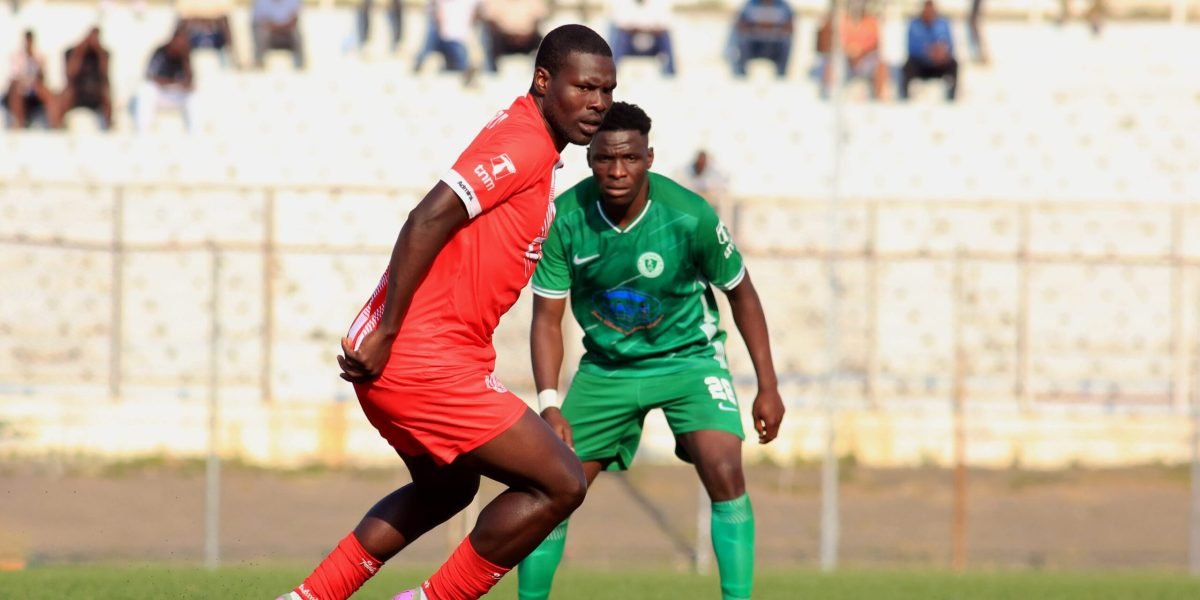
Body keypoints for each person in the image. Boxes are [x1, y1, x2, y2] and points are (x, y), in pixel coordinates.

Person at [276, 24, 616, 600]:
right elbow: (427, 217)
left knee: (448, 487)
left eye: (606, 91)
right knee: (561, 481)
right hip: (423, 358)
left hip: (417, 354)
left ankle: (310, 598)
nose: (598, 104)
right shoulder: (525, 142)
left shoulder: (533, 140)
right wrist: (388, 331)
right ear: (542, 80)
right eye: (584, 88)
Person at [516, 102, 786, 600]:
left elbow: (742, 293)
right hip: (606, 369)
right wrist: (549, 403)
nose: (617, 171)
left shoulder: (689, 215)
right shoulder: (566, 220)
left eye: (630, 158)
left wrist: (768, 386)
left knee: (725, 468)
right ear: (589, 158)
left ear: (650, 158)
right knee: (550, 488)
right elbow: (546, 319)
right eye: (604, 159)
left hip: (689, 359)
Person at [134, 26, 194, 132]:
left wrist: (185, 58)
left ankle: (195, 134)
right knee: (145, 90)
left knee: (194, 96)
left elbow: (190, 83)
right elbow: (150, 77)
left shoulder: (185, 56)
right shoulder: (160, 51)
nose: (182, 44)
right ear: (173, 39)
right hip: (159, 93)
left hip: (175, 94)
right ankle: (142, 132)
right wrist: (174, 83)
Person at [900, 0, 957, 102]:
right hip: (921, 65)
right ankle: (904, 98)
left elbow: (950, 45)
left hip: (939, 65)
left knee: (953, 64)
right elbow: (911, 47)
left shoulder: (943, 24)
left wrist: (941, 53)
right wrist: (927, 52)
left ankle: (951, 98)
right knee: (907, 66)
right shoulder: (914, 24)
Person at [57, 26, 112, 129]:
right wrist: (81, 49)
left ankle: (108, 127)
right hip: (77, 92)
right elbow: (71, 73)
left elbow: (104, 72)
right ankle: (58, 127)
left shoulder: (102, 53)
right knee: (67, 94)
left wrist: (98, 51)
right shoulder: (73, 51)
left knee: (106, 93)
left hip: (96, 93)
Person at [4, 30, 59, 129]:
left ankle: (54, 123)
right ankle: (18, 123)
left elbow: (42, 76)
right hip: (20, 89)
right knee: (16, 90)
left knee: (46, 92)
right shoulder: (17, 56)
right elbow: (15, 77)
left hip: (35, 89)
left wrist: (35, 61)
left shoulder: (39, 56)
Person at [609, 0, 677, 77]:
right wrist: (645, 27)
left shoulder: (659, 3)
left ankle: (669, 73)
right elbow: (621, 24)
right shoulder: (623, 3)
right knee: (619, 35)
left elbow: (664, 25)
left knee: (665, 37)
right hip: (629, 43)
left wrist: (640, 27)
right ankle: (610, 70)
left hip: (653, 42)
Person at [730, 0, 794, 79]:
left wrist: (773, 27)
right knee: (742, 40)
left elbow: (790, 28)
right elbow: (740, 25)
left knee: (786, 42)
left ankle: (781, 74)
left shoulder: (784, 6)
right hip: (754, 43)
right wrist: (756, 26)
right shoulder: (749, 4)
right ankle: (740, 74)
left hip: (775, 44)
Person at [252, 0, 305, 70]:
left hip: (287, 32)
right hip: (270, 33)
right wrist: (278, 27)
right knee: (261, 33)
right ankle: (259, 64)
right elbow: (262, 22)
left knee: (296, 35)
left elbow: (294, 20)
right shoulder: (260, 2)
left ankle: (299, 67)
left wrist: (278, 27)